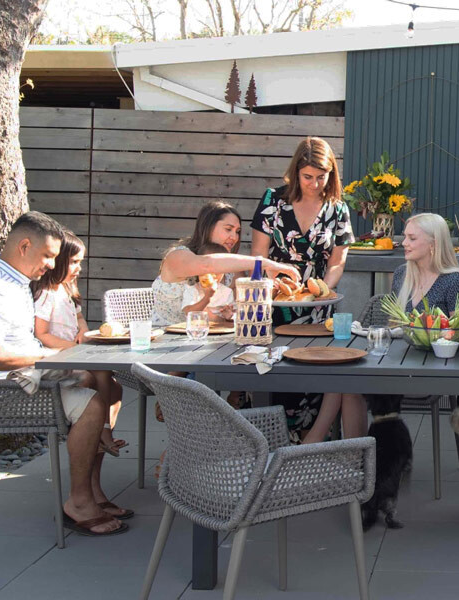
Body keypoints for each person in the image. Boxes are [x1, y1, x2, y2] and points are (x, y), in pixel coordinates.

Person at [0, 211, 129, 535]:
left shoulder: (12, 281)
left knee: (96, 381)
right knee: (91, 404)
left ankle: (90, 489)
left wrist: (55, 358)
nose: (52, 265)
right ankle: (79, 501)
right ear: (23, 246)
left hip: (12, 383)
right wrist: (45, 357)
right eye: (48, 256)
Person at [250, 136, 361, 443]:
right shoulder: (273, 199)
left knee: (316, 376)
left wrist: (323, 290)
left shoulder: (338, 209)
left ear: (331, 175)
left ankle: (310, 449)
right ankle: (272, 449)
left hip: (318, 306)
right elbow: (257, 256)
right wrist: (272, 282)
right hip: (275, 302)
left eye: (321, 177)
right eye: (307, 177)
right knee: (273, 373)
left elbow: (338, 261)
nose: (314, 184)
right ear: (296, 172)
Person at [32, 231, 126, 457]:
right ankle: (102, 435)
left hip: (74, 352)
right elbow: (42, 333)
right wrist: (73, 348)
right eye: (74, 262)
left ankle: (104, 430)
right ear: (59, 260)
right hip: (59, 357)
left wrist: (83, 331)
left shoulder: (67, 290)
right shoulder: (46, 294)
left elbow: (79, 318)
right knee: (99, 376)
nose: (78, 268)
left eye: (80, 262)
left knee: (115, 385)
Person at [151, 201, 299, 328]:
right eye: (228, 229)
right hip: (163, 341)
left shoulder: (230, 271)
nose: (234, 237)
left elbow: (243, 313)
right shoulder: (178, 256)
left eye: (237, 231)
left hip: (210, 342)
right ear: (208, 227)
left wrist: (270, 292)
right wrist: (265, 263)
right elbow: (207, 264)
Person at [392, 213, 459, 314]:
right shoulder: (401, 273)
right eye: (405, 237)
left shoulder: (454, 281)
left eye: (412, 238)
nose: (404, 243)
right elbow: (393, 324)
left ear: (433, 244)